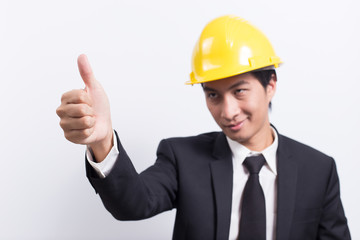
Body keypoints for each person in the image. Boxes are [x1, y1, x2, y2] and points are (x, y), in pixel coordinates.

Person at [56, 15, 351, 240]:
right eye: (213, 95)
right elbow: (131, 204)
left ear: (270, 85)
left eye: (239, 91)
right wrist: (102, 140)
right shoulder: (182, 157)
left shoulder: (318, 170)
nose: (227, 111)